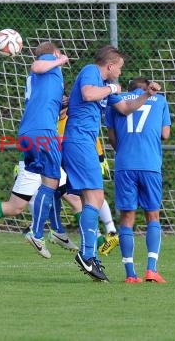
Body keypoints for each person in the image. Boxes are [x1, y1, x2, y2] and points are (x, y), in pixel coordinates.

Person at [62, 45, 161, 282]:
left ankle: (90, 255)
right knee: (95, 198)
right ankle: (87, 255)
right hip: (79, 141)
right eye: (119, 67)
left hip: (84, 142)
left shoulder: (108, 88)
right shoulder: (91, 71)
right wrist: (110, 88)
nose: (120, 71)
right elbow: (87, 94)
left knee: (89, 199)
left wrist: (146, 94)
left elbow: (126, 108)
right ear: (110, 65)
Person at [105, 77, 171, 283]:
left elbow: (112, 137)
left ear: (129, 90)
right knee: (152, 215)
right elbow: (165, 134)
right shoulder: (159, 100)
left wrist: (125, 150)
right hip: (150, 164)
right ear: (147, 89)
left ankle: (130, 274)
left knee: (127, 217)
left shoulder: (115, 100)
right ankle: (151, 269)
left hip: (125, 164)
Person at [0, 158, 79, 256]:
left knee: (74, 199)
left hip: (51, 159)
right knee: (15, 207)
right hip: (33, 161)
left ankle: (60, 233)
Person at [57, 94, 119, 255]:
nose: (62, 106)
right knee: (81, 199)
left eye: (64, 102)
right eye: (60, 102)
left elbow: (93, 139)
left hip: (70, 166)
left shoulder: (73, 121)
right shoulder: (51, 123)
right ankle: (53, 231)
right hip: (56, 166)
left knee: (89, 196)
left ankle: (107, 234)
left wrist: (100, 158)